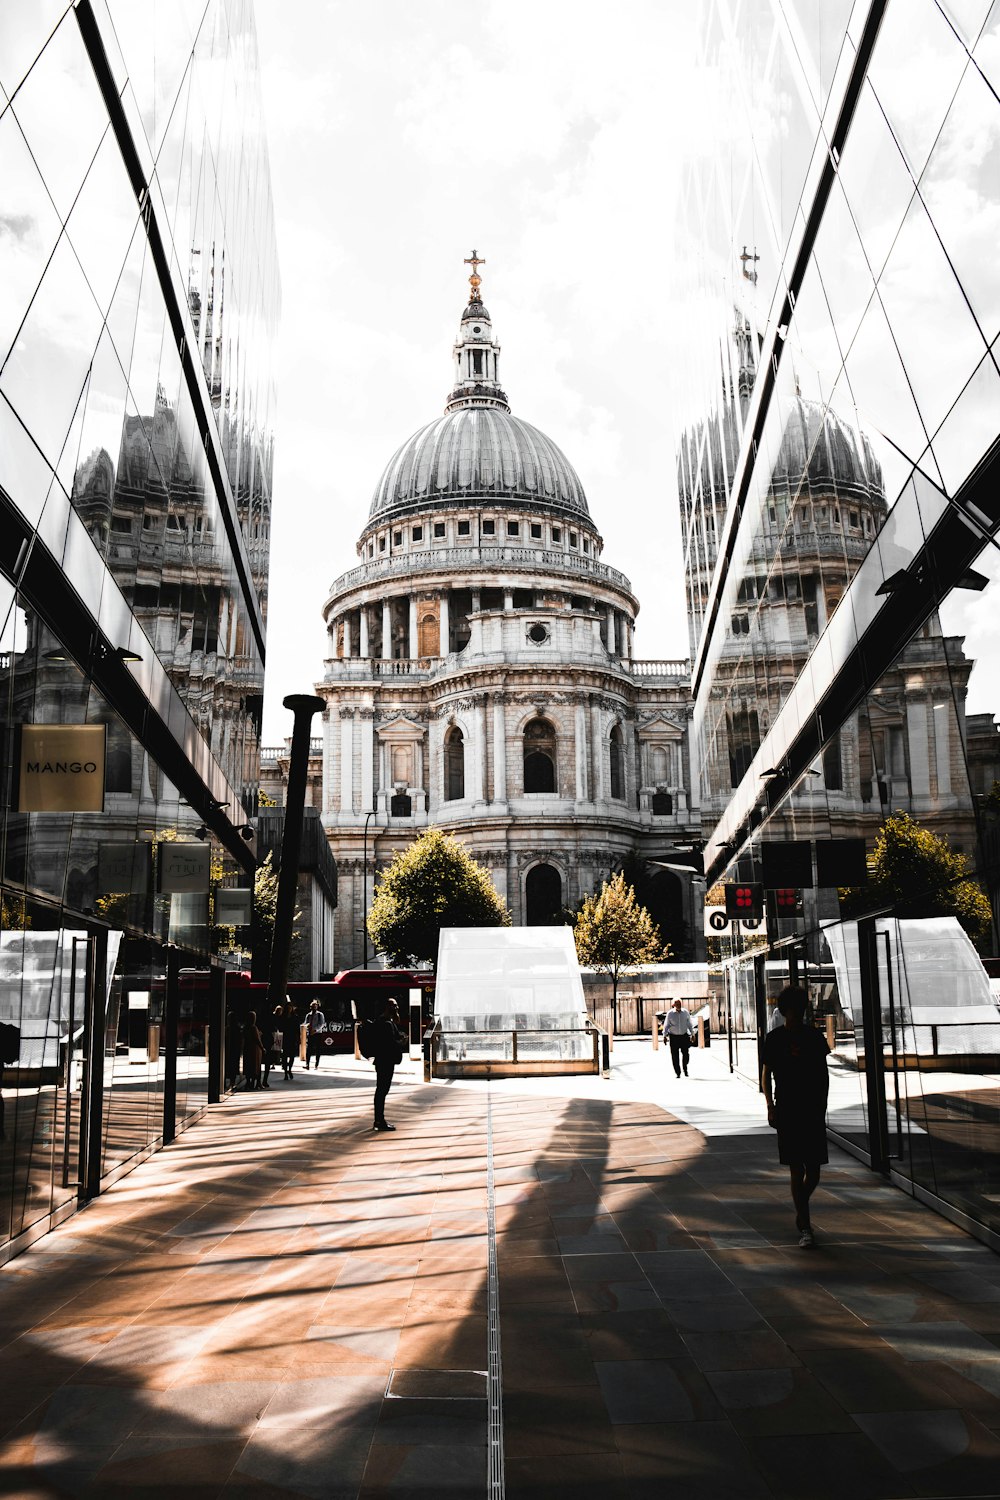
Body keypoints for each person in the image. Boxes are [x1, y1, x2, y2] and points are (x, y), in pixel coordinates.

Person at [761, 985, 830, 1248]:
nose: (797, 1013)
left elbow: (823, 1075)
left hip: (810, 1107)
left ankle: (801, 1210)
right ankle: (805, 1224)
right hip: (788, 1106)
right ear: (785, 1010)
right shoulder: (775, 1039)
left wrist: (822, 1105)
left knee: (813, 1170)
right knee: (796, 1166)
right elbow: (766, 1074)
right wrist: (770, 1104)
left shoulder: (813, 1037)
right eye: (793, 1009)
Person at [369, 998, 406, 1132]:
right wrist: (401, 1042)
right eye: (394, 1006)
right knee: (382, 1090)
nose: (397, 1008)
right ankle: (379, 1120)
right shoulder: (387, 1024)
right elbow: (390, 1044)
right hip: (386, 1061)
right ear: (388, 1007)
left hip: (381, 1060)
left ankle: (379, 1119)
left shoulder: (381, 1021)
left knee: (381, 1090)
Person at [662, 999, 694, 1077]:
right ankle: (678, 1072)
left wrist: (692, 1034)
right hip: (674, 1037)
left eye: (679, 1003)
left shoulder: (685, 1012)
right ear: (674, 1005)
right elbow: (666, 1025)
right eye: (676, 1003)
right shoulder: (670, 1013)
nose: (678, 1005)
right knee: (675, 1056)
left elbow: (689, 1023)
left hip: (684, 1036)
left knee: (686, 1054)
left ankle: (685, 1068)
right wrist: (664, 1036)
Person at [261, 1004, 283, 1088]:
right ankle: (264, 1081)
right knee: (267, 1061)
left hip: (268, 1040)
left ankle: (262, 1081)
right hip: (269, 1041)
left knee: (266, 1061)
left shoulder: (268, 1018)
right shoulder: (272, 1019)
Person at [241, 1011, 264, 1091]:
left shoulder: (245, 1027)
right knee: (255, 1066)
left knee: (248, 1065)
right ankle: (254, 1083)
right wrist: (262, 1048)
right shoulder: (254, 1028)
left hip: (247, 1048)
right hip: (255, 1049)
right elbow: (257, 1039)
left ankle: (248, 1082)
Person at [304, 998, 326, 1069]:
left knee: (317, 1049)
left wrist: (315, 1030)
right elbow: (305, 1022)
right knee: (308, 1049)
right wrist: (306, 1026)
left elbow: (322, 1024)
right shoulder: (308, 1015)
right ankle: (307, 1064)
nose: (314, 1007)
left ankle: (316, 1064)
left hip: (317, 1034)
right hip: (310, 1033)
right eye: (313, 1006)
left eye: (315, 1006)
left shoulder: (320, 1014)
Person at [282, 999, 300, 1081]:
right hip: (285, 1038)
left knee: (292, 1056)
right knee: (285, 1056)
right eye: (288, 1008)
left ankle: (289, 1069)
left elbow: (297, 1029)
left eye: (290, 1008)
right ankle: (285, 1072)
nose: (289, 1009)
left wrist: (298, 1038)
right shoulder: (283, 1017)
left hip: (292, 1038)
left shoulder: (295, 1017)